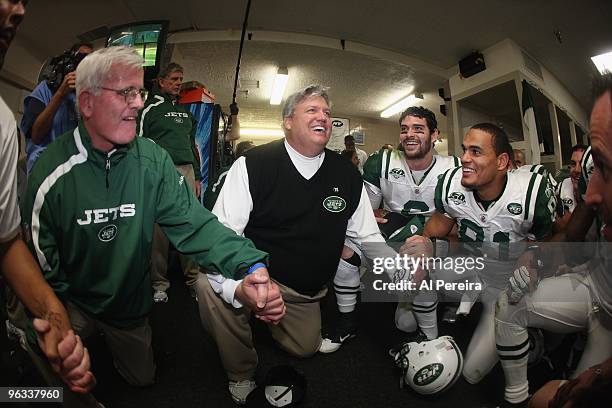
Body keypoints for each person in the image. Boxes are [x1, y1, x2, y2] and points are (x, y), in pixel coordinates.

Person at [21, 46, 280, 407]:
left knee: (143, 382)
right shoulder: (51, 171)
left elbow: (195, 225)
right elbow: (38, 253)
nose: (138, 104)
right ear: (88, 103)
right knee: (40, 367)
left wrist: (250, 263)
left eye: (138, 92)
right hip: (70, 300)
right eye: (124, 93)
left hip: (127, 303)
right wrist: (58, 308)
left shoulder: (152, 160)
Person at [196, 84, 396, 404]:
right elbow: (223, 237)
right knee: (209, 283)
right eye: (312, 110)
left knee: (305, 350)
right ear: (288, 121)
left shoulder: (346, 173)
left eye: (328, 113)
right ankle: (241, 370)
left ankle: (263, 320)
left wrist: (398, 267)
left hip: (304, 292)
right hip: (257, 274)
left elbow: (367, 235)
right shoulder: (252, 165)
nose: (324, 118)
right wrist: (247, 284)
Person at [401, 123, 555, 385]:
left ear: (502, 161)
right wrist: (423, 250)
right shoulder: (451, 184)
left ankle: (530, 335)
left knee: (472, 373)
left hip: (504, 288)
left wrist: (534, 259)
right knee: (408, 310)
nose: (464, 158)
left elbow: (553, 241)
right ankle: (431, 342)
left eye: (475, 151)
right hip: (470, 269)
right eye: (464, 150)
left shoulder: (530, 192)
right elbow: (435, 233)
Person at [494, 72, 612, 406]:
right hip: (594, 288)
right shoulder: (591, 175)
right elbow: (573, 234)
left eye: (609, 167)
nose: (590, 196)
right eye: (599, 165)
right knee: (509, 302)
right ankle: (515, 395)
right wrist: (537, 258)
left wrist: (602, 374)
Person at [0, 0, 96, 400]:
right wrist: (60, 93)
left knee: (39, 395)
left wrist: (55, 317)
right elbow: (37, 133)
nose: (19, 10)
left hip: (73, 186)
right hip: (42, 184)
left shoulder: (0, 122)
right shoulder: (42, 93)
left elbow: (5, 243)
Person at [320, 106, 459, 353]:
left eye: (418, 129)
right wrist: (370, 214)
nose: (410, 135)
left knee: (405, 323)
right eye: (404, 129)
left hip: (432, 237)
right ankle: (347, 323)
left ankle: (429, 338)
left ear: (435, 134)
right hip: (394, 228)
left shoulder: (453, 169)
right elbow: (368, 212)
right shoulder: (382, 162)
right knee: (345, 254)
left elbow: (460, 221)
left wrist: (435, 242)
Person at [136, 62, 201, 303]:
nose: (178, 83)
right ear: (161, 82)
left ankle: (194, 279)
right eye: (173, 79)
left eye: (180, 79)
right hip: (160, 171)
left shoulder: (186, 113)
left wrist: (198, 176)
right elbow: (138, 142)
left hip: (186, 171)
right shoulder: (148, 108)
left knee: (189, 223)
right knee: (159, 228)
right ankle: (159, 284)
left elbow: (193, 147)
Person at [21, 42, 93, 174]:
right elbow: (36, 135)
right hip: (43, 166)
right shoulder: (45, 89)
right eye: (82, 59)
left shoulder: (85, 99)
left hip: (71, 168)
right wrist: (60, 93)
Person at [203, 139, 255, 211]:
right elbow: (210, 198)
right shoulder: (227, 172)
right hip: (225, 218)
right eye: (254, 152)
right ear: (245, 153)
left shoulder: (254, 174)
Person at [555, 144, 587, 231]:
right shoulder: (562, 186)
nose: (577, 170)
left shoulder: (601, 194)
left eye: (582, 164)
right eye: (573, 164)